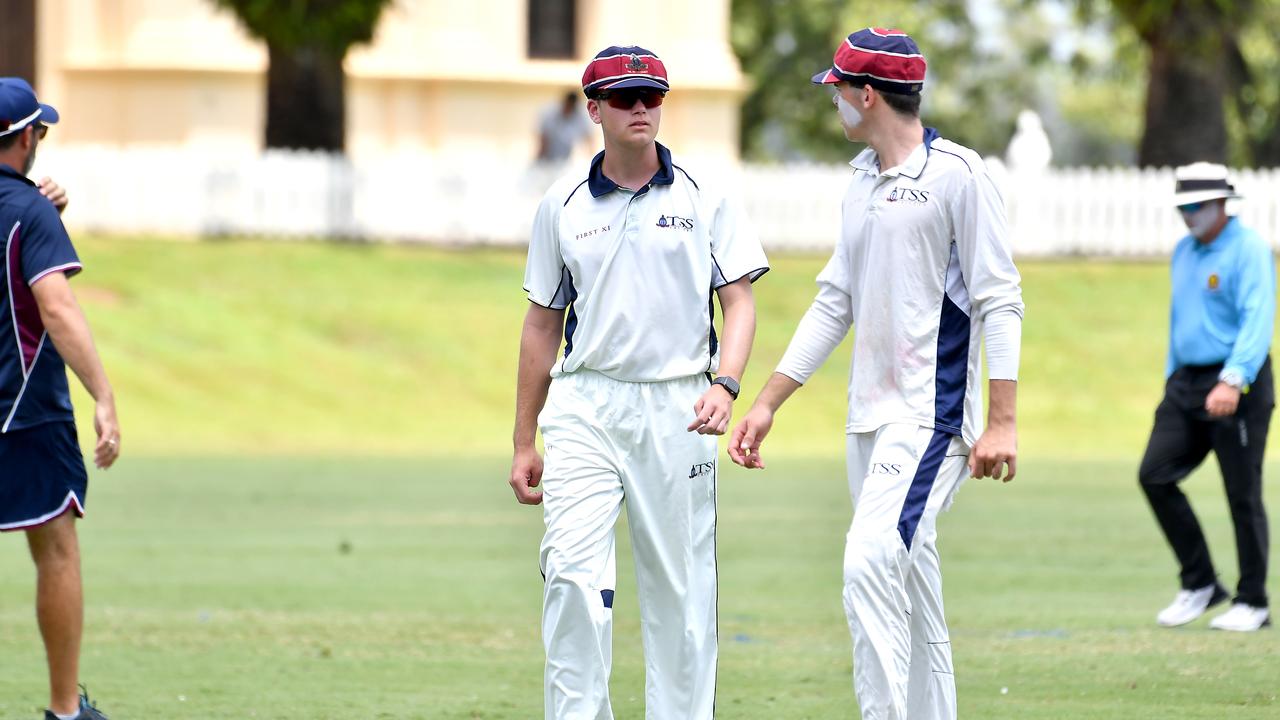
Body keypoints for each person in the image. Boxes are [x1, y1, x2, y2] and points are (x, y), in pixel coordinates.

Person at [727, 28, 1024, 720]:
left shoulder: (959, 176)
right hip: (868, 419)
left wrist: (1002, 423)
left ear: (867, 95)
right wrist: (769, 401)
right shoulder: (859, 182)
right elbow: (838, 301)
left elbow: (999, 301)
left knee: (868, 565)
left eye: (838, 88)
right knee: (914, 592)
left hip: (930, 419)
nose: (832, 100)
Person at [509, 46, 768, 719]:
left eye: (652, 96)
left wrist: (728, 384)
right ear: (593, 108)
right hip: (586, 402)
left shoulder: (705, 196)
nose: (641, 109)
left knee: (680, 598)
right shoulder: (560, 206)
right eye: (625, 98)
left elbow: (738, 301)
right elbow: (541, 325)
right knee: (570, 575)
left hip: (680, 404)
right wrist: (522, 442)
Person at [0, 76, 120, 720]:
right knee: (55, 549)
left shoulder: (33, 207)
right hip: (21, 412)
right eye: (38, 130)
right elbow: (56, 306)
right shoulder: (30, 211)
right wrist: (103, 394)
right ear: (25, 138)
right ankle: (62, 712)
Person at [1139, 161, 1275, 632]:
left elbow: (1258, 321)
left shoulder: (1249, 250)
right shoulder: (1184, 251)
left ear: (1221, 204)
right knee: (1154, 475)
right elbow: (1182, 321)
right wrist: (1171, 378)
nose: (1188, 216)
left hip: (1237, 382)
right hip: (1186, 383)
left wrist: (1233, 380)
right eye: (1184, 207)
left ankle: (1253, 601)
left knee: (1242, 492)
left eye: (1196, 206)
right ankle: (1200, 582)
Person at [536, 91, 594, 164]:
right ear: (565, 103)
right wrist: (539, 160)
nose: (568, 109)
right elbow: (544, 140)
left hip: (566, 156)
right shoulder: (550, 114)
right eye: (567, 106)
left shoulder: (581, 116)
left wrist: (591, 161)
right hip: (548, 154)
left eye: (571, 107)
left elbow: (589, 139)